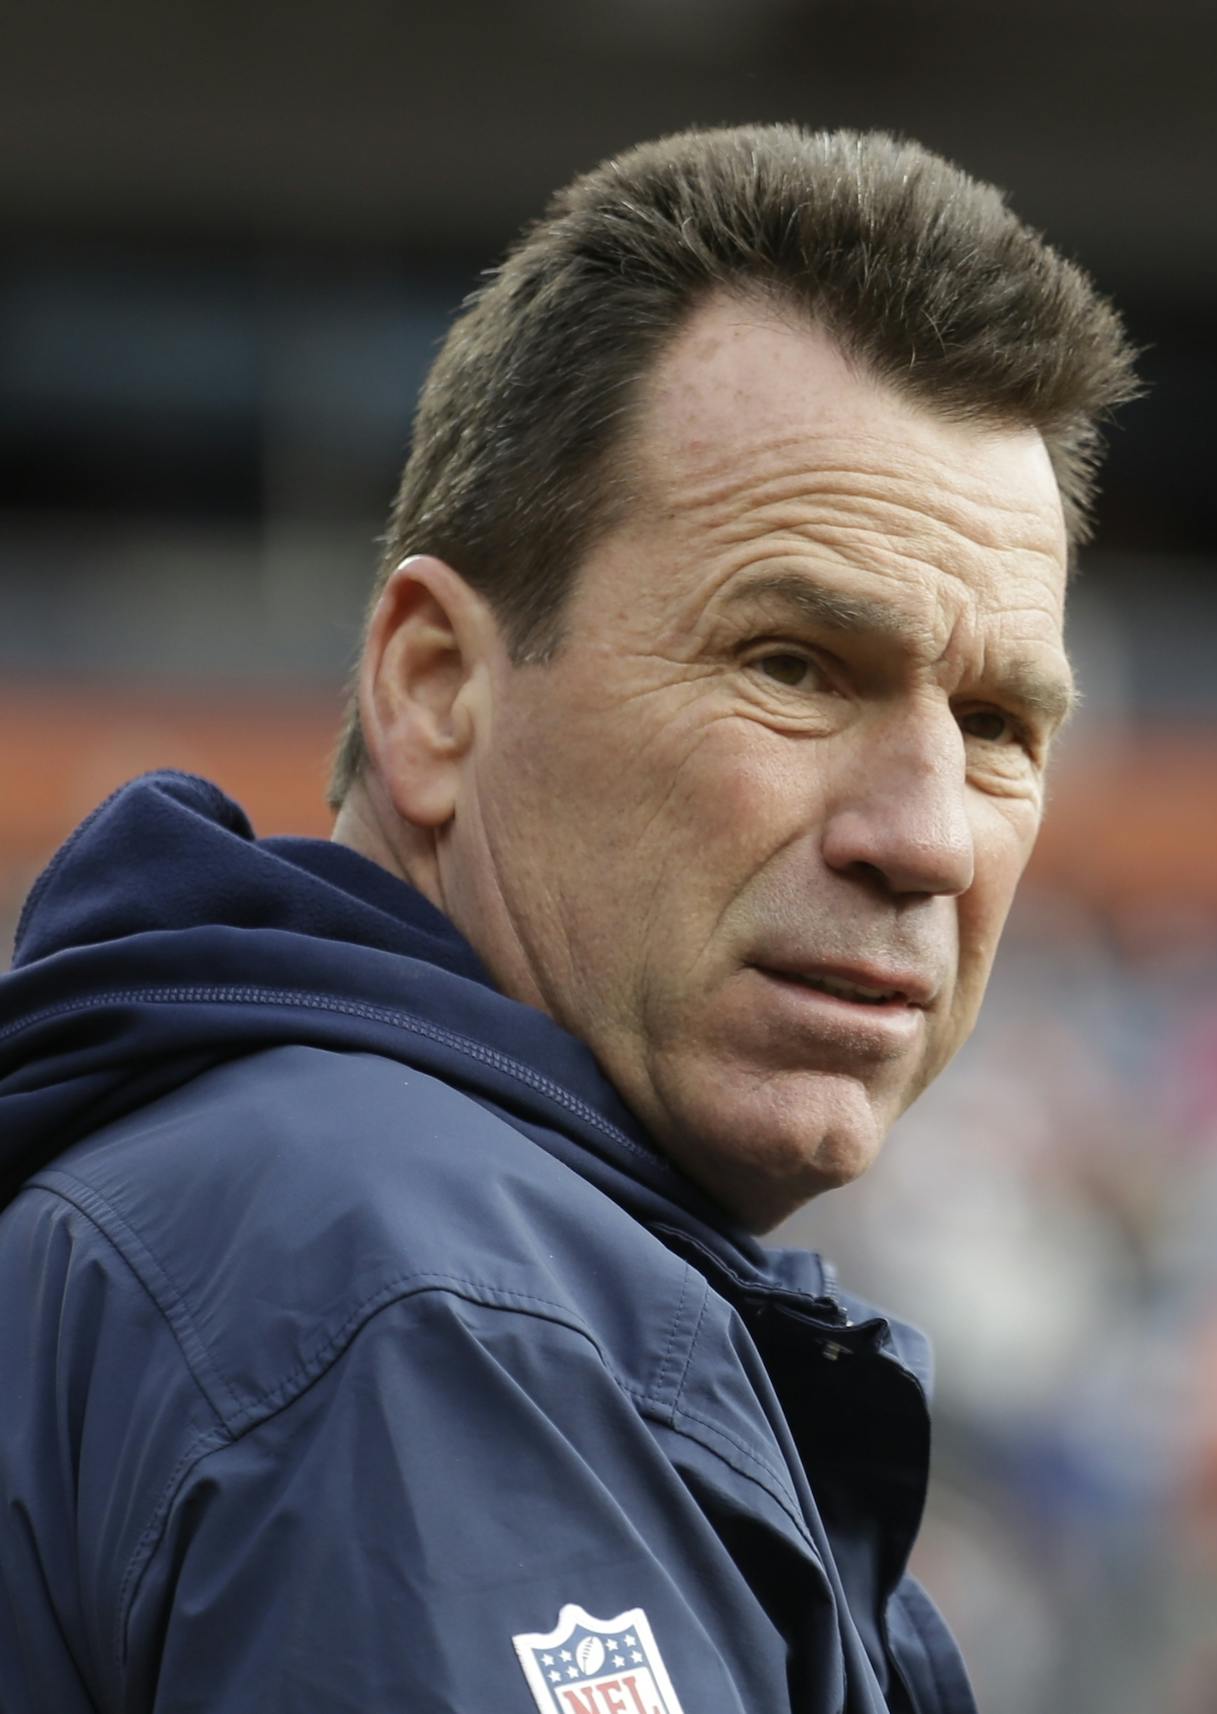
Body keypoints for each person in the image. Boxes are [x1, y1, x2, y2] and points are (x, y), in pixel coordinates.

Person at [0, 124, 1136, 1713]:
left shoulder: (305, 1223)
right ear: (437, 691)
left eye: (1003, 725)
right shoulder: (414, 1303)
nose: (930, 836)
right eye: (796, 665)